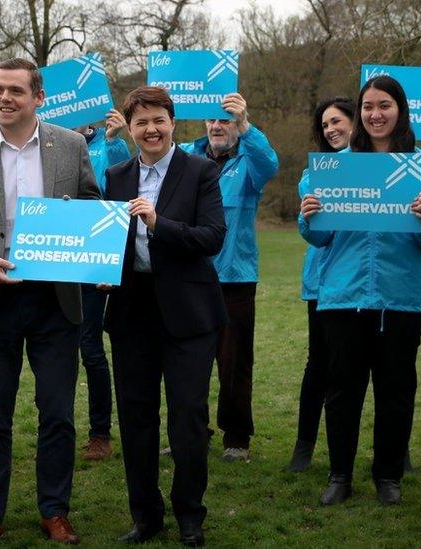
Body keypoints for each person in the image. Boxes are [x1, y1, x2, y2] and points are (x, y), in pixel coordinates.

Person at [0, 57, 100, 548]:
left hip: (55, 302)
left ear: (38, 98)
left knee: (57, 414)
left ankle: (55, 512)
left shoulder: (71, 146)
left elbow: (93, 210)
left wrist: (88, 244)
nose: (4, 98)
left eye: (15, 91)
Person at [300, 76, 421, 506]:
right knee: (342, 390)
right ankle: (340, 475)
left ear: (400, 110)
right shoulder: (332, 166)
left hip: (401, 297)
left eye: (384, 105)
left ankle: (388, 475)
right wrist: (309, 216)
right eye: (367, 106)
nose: (375, 114)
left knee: (396, 389)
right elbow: (317, 238)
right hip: (344, 296)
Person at [103, 85, 227, 546]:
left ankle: (190, 515)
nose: (150, 129)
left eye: (158, 120)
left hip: (190, 315)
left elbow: (212, 237)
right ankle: (145, 515)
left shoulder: (200, 172)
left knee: (187, 419)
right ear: (131, 128)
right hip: (132, 312)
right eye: (141, 122)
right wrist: (102, 268)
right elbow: (109, 240)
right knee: (136, 418)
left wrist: (160, 224)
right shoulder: (115, 176)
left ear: (173, 122)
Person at [178, 93, 278, 462]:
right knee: (188, 361)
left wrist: (249, 126)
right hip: (190, 275)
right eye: (211, 120)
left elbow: (269, 164)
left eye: (226, 120)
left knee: (234, 361)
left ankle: (237, 437)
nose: (217, 126)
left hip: (235, 277)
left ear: (236, 125)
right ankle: (190, 433)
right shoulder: (187, 155)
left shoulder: (249, 160)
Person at [285, 96, 355, 472]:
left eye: (337, 121)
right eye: (325, 125)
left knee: (374, 369)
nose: (330, 129)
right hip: (324, 283)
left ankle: (396, 451)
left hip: (369, 283)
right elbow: (316, 228)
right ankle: (304, 445)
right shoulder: (315, 174)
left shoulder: (386, 165)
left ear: (355, 122)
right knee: (320, 366)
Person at [73, 109, 132, 461]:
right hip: (53, 258)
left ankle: (100, 433)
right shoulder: (48, 141)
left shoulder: (109, 144)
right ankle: (56, 428)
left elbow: (120, 188)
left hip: (93, 262)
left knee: (89, 348)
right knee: (53, 350)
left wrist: (111, 142)